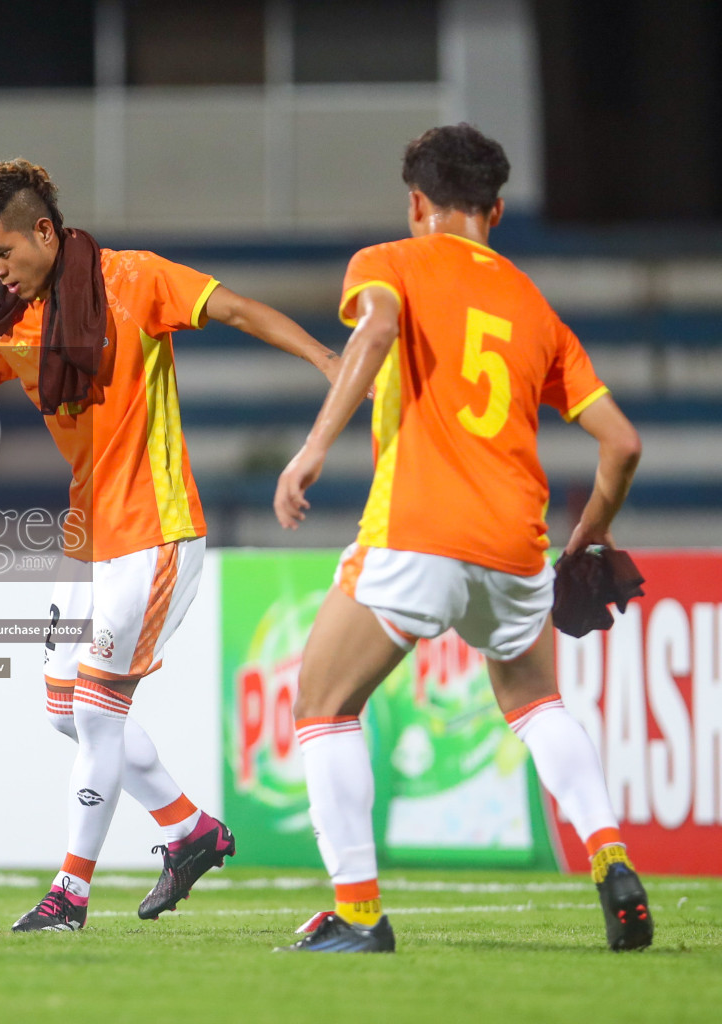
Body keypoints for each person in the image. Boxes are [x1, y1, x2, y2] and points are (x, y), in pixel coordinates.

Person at [0, 159, 342, 932]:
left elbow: (235, 310)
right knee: (64, 712)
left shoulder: (134, 280)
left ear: (45, 232)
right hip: (86, 535)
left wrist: (330, 362)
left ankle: (68, 894)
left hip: (155, 529)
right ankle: (189, 829)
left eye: (1, 254)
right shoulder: (7, 315)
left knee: (99, 715)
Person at [272, 124, 650, 953]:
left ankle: (359, 915)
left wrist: (309, 452)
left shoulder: (389, 262)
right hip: (517, 545)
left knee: (324, 706)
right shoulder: (533, 306)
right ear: (497, 210)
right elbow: (622, 442)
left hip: (418, 533)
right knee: (536, 703)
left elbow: (371, 334)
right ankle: (612, 859)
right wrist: (589, 539)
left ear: (417, 204)